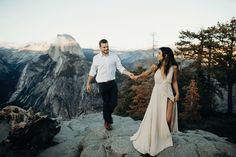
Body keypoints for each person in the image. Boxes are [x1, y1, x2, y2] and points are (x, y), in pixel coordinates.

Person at [130, 47, 180, 156]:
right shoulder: (155, 67)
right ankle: (158, 138)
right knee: (157, 118)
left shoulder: (174, 67)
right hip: (157, 95)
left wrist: (177, 93)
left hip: (169, 94)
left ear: (165, 55)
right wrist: (137, 77)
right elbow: (145, 73)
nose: (157, 55)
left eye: (159, 53)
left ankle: (164, 137)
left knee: (167, 119)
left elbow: (174, 81)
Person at [86, 39, 134, 130]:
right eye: (104, 47)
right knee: (106, 103)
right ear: (100, 47)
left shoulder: (114, 56)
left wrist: (129, 73)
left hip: (112, 83)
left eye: (107, 46)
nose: (106, 48)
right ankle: (107, 121)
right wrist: (88, 83)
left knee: (114, 103)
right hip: (102, 84)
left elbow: (120, 68)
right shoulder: (96, 58)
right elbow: (92, 71)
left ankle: (107, 116)